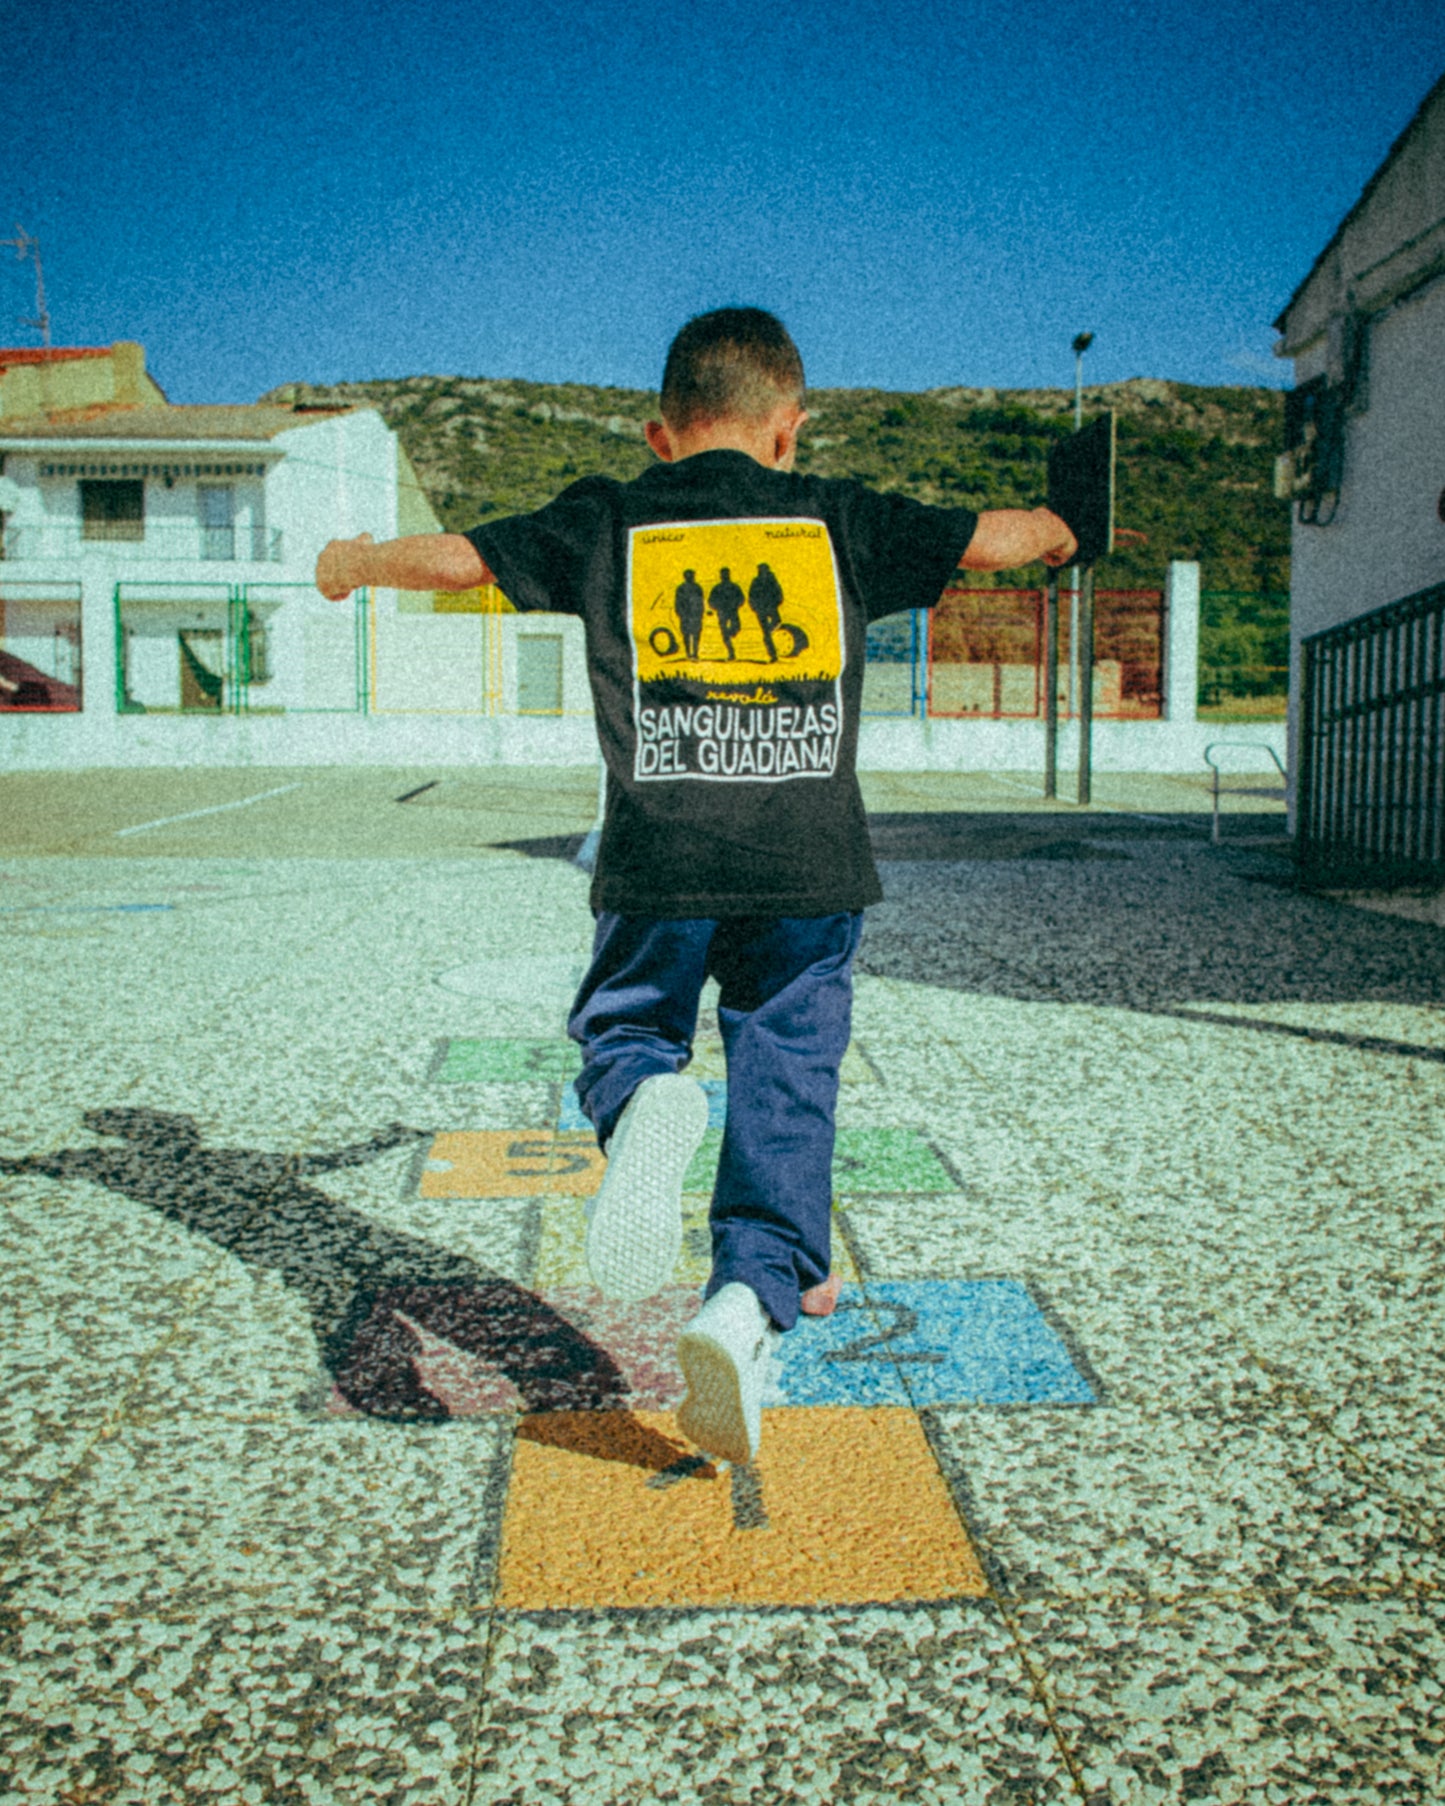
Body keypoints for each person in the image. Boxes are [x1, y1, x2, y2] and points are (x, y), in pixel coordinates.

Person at [316, 306, 1076, 1466]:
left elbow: (460, 558)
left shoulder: (611, 513)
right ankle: (746, 1298)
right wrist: (1065, 529)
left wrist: (354, 563)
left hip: (661, 858)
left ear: (660, 433)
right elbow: (995, 538)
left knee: (625, 1029)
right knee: (787, 1070)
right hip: (807, 867)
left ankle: (640, 1115)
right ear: (788, 430)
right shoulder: (838, 515)